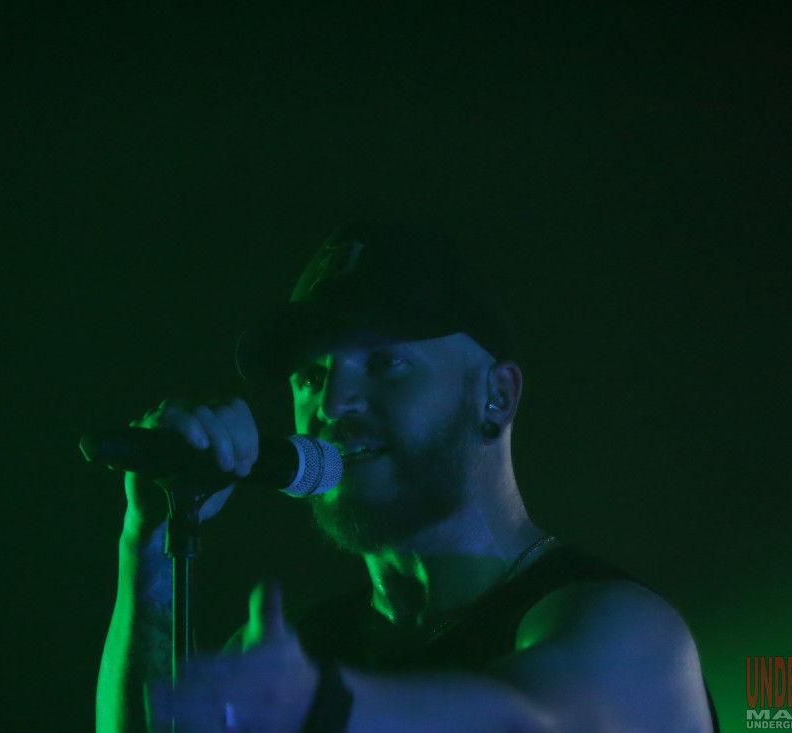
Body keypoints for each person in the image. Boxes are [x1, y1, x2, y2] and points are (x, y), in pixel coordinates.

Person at [96, 223, 719, 733]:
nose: (332, 403)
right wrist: (148, 545)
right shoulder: (304, 648)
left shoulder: (622, 630)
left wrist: (321, 705)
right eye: (311, 376)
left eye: (384, 362)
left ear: (497, 397)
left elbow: (532, 720)